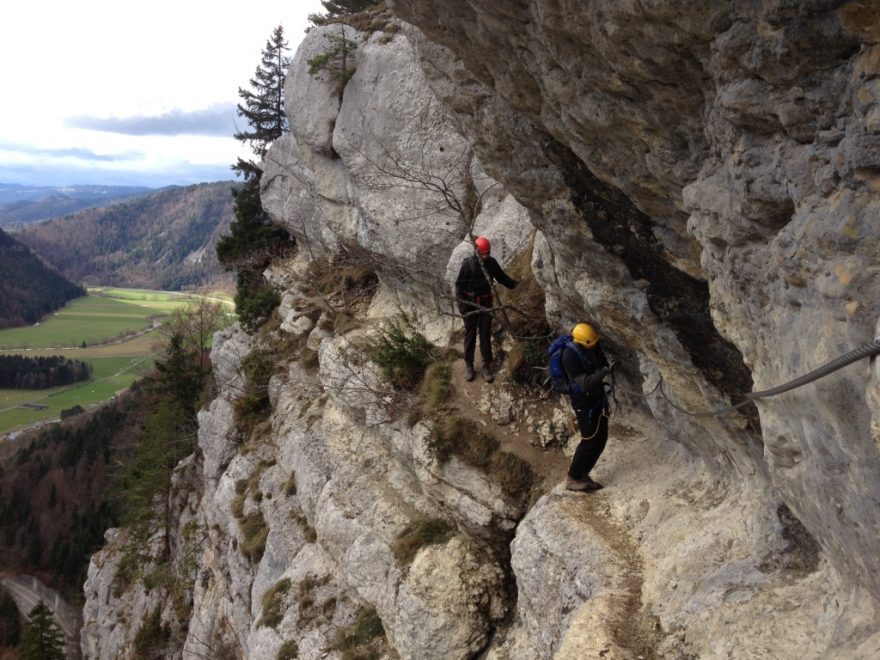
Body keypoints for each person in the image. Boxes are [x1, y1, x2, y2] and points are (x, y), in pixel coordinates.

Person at [454, 236, 518, 383]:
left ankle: (485, 365)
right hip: (469, 304)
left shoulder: (491, 263)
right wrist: (463, 309)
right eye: (483, 253)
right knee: (470, 334)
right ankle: (469, 365)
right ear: (476, 251)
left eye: (487, 253)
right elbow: (459, 287)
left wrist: (516, 285)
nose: (486, 256)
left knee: (484, 334)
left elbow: (502, 278)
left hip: (486, 303)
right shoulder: (467, 264)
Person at [563, 322, 614, 492]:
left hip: (596, 397)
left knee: (601, 438)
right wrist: (604, 372)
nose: (594, 347)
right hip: (583, 402)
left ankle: (583, 473)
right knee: (589, 439)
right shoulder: (569, 356)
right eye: (590, 345)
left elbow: (599, 359)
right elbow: (584, 383)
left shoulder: (591, 344)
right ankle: (573, 477)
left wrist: (606, 366)